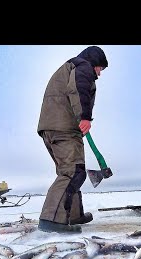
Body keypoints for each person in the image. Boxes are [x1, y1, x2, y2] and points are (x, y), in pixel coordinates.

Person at [37, 46, 108, 233]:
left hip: (54, 127)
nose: (99, 74)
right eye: (100, 68)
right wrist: (84, 116)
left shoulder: (70, 67)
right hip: (64, 128)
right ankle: (51, 220)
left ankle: (73, 214)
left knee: (74, 170)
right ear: (94, 62)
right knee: (72, 172)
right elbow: (78, 88)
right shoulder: (83, 66)